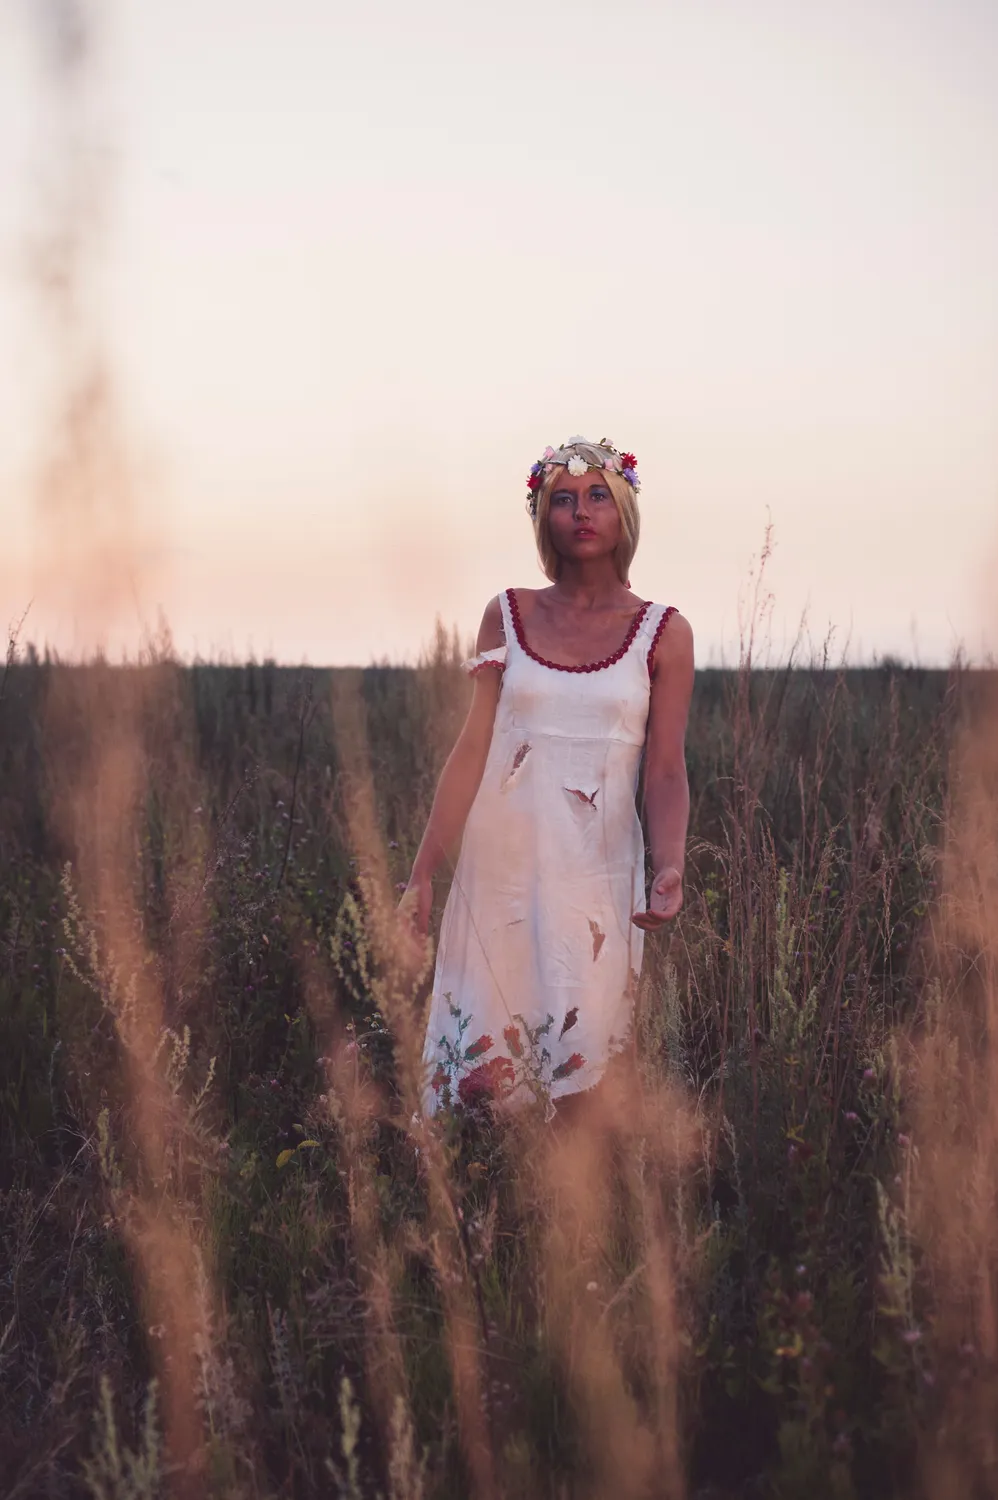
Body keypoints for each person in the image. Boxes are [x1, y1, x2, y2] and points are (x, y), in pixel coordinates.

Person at [398, 437, 694, 1117]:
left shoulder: (664, 633)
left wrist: (671, 864)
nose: (581, 512)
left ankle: (573, 1184)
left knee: (581, 1072)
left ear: (624, 512)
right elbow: (472, 749)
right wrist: (422, 873)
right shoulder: (507, 614)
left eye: (597, 497)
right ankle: (473, 1177)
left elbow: (665, 769)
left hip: (596, 876)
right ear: (543, 517)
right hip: (499, 872)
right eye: (563, 499)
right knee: (483, 1070)